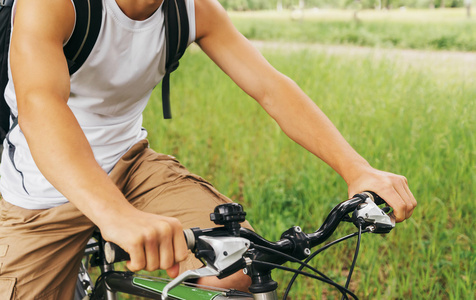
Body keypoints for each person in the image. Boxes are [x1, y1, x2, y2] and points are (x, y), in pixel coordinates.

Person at [0, 0, 417, 298]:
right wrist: (115, 215)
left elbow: (271, 89)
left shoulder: (193, 10)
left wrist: (356, 168)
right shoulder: (53, 4)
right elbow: (41, 108)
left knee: (238, 266)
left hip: (132, 164)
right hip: (42, 189)